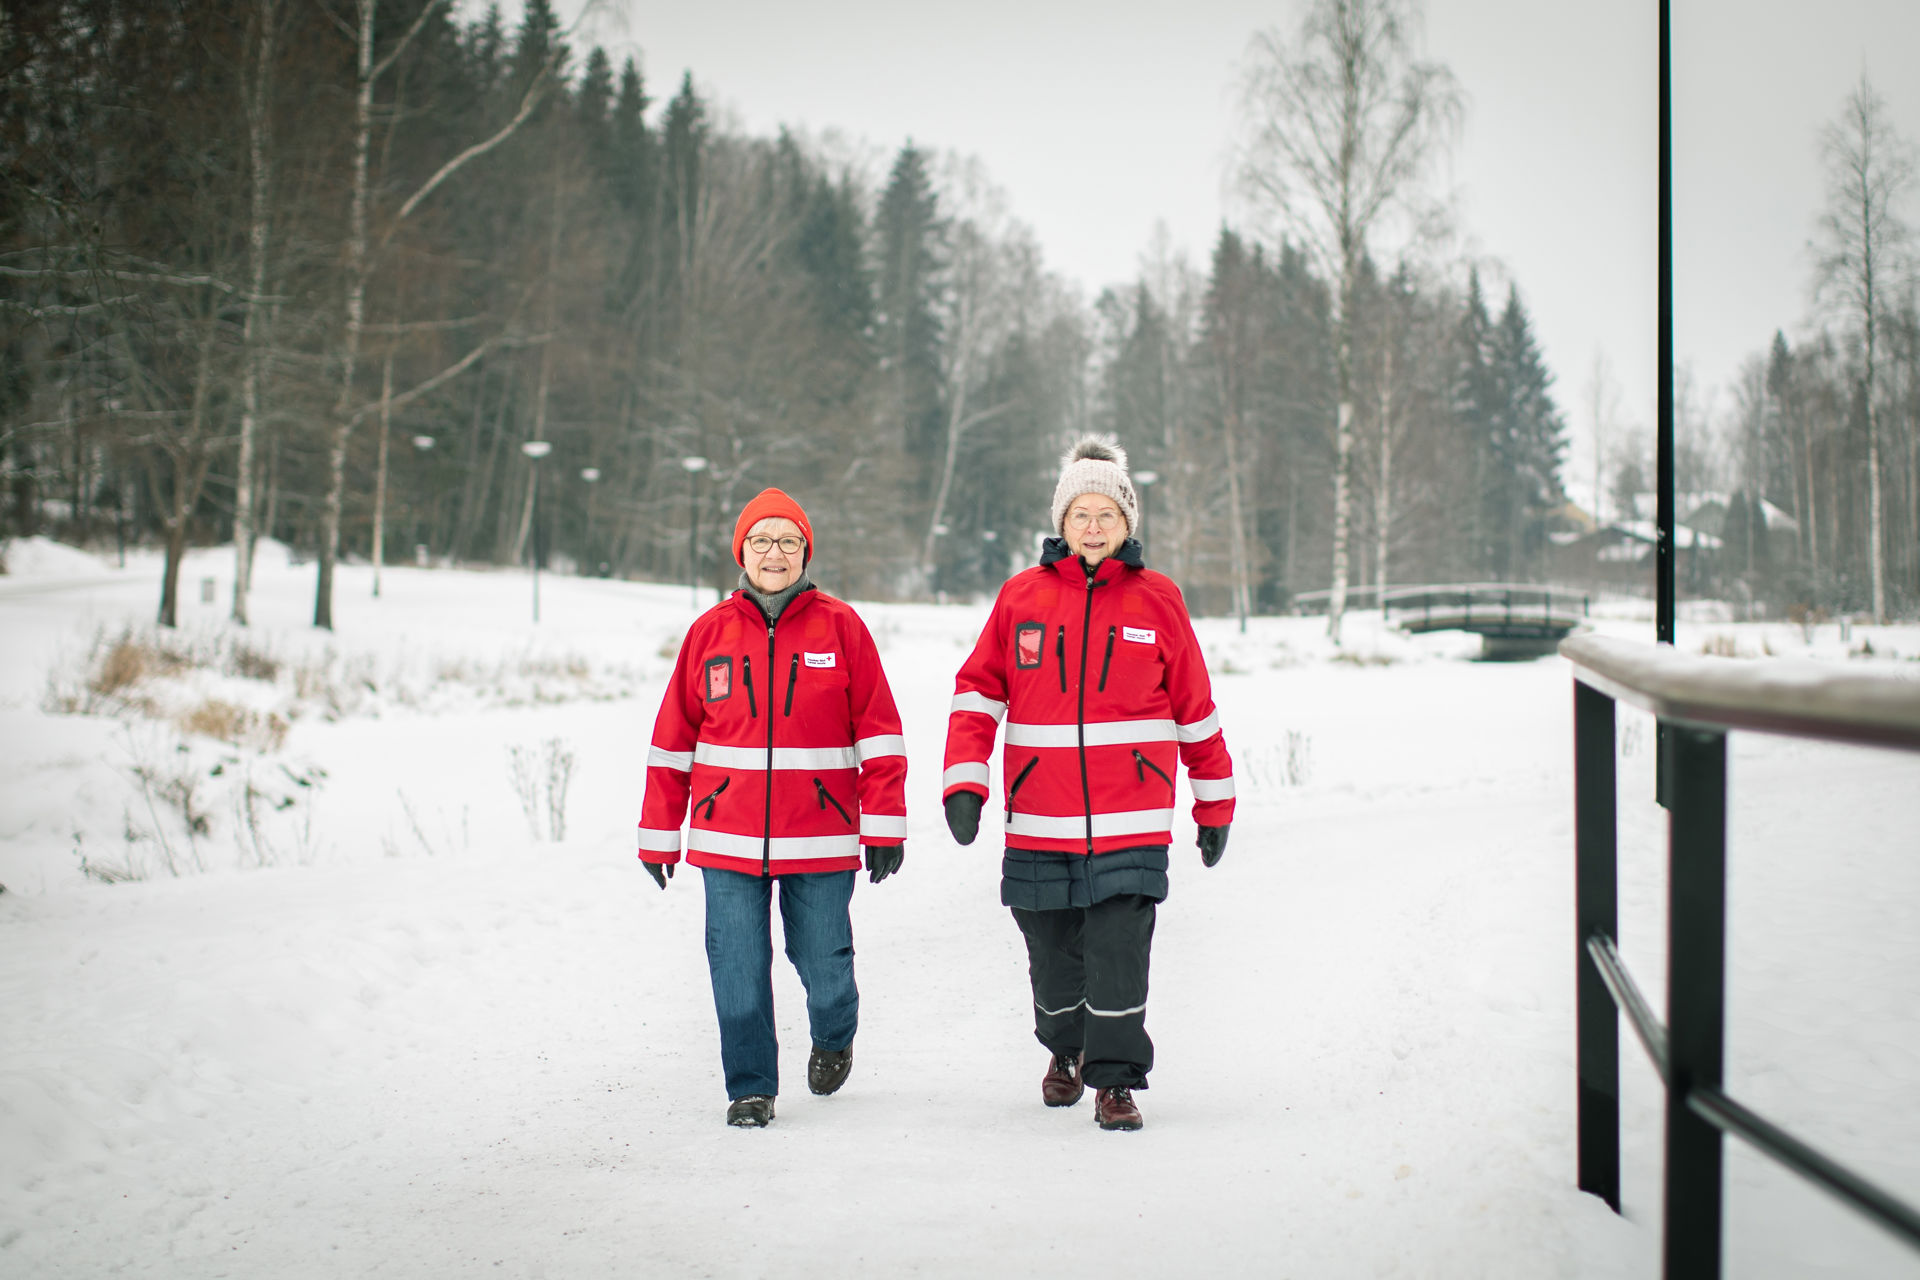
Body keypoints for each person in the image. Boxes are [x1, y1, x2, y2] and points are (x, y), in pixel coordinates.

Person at [942, 437, 1234, 1131]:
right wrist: (964, 783)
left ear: (1128, 523)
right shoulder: (1022, 597)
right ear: (1061, 523)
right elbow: (978, 692)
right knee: (1051, 953)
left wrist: (1214, 803)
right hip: (1041, 819)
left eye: (1107, 513)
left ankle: (1115, 1081)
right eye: (1081, 514)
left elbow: (1195, 707)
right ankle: (1064, 1050)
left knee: (1118, 951)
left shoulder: (1159, 599)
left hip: (1131, 818)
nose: (1094, 527)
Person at [638, 488, 908, 1128]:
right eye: (761, 541)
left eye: (788, 541)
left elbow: (880, 731)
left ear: (806, 553)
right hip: (726, 836)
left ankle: (834, 1030)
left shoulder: (842, 627)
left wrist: (886, 825)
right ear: (742, 551)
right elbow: (674, 738)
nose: (775, 553)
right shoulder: (709, 633)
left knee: (823, 962)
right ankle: (751, 1087)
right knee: (736, 966)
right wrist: (657, 834)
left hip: (820, 835)